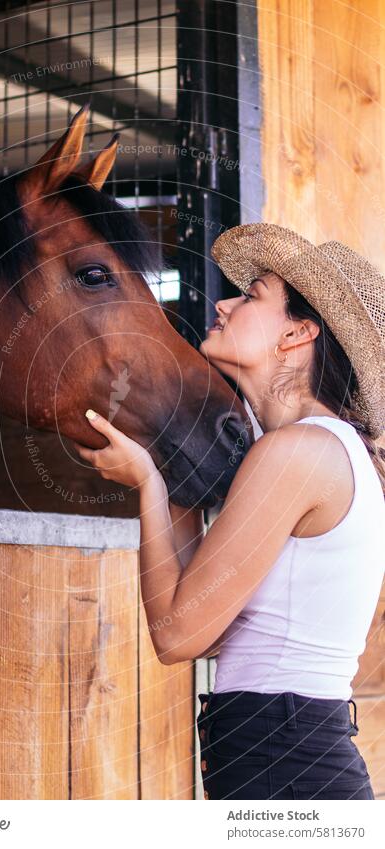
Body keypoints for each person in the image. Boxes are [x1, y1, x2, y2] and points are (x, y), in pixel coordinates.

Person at [72, 222, 385, 800]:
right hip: (282, 751)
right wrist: (170, 464)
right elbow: (210, 624)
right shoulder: (314, 450)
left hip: (285, 762)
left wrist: (147, 484)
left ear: (297, 333)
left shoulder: (298, 453)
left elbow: (177, 636)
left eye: (253, 294)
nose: (223, 301)